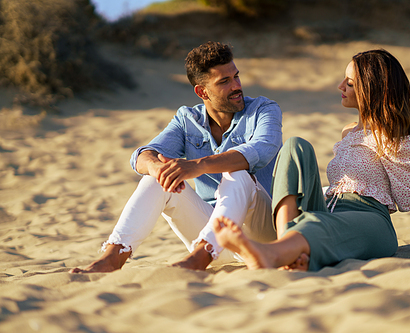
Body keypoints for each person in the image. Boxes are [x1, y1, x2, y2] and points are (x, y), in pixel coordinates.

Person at [213, 49, 410, 271]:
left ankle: (275, 254)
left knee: (321, 224)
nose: (340, 87)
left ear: (373, 91)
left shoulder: (395, 141)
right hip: (326, 207)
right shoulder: (348, 132)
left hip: (370, 221)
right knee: (295, 146)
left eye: (350, 83)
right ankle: (285, 246)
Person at [70, 41, 282, 273]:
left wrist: (197, 166)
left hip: (261, 238)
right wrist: (157, 168)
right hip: (211, 234)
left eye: (236, 77)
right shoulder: (187, 119)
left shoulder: (263, 109)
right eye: (224, 81)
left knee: (239, 175)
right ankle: (113, 256)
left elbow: (262, 149)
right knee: (157, 177)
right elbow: (142, 156)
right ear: (202, 92)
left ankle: (200, 257)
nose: (236, 86)